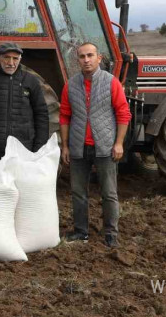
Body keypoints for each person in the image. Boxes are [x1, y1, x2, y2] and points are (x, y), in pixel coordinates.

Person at [60, 42, 131, 248]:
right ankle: (81, 232)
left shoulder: (111, 83)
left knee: (109, 192)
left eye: (90, 55)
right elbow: (64, 115)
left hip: (105, 146)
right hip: (78, 147)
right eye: (82, 57)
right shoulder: (70, 85)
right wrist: (65, 146)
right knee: (78, 192)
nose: (86, 60)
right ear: (78, 60)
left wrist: (118, 143)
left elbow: (123, 113)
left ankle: (111, 234)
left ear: (99, 58)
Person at [0, 42, 49, 162]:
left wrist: (39, 147)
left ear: (20, 60)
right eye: (6, 57)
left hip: (24, 149)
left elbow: (41, 114)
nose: (11, 63)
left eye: (15, 58)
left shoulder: (30, 81)